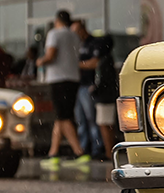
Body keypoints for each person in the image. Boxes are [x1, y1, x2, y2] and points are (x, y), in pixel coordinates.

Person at [35, 10, 88, 167]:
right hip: (73, 78)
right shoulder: (74, 35)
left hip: (58, 79)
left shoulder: (54, 33)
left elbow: (51, 54)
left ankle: (79, 153)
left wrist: (40, 61)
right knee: (61, 116)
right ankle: (53, 154)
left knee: (63, 117)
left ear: (57, 20)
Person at [71, 19, 103, 156]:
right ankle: (83, 149)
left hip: (88, 85)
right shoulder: (76, 45)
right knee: (80, 120)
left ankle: (97, 148)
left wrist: (76, 65)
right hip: (78, 85)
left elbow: (95, 63)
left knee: (92, 119)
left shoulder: (92, 43)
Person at [88, 35, 120, 160]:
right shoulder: (108, 60)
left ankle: (108, 152)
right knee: (107, 124)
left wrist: (95, 90)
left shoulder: (104, 61)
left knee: (104, 124)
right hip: (108, 96)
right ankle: (109, 151)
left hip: (104, 97)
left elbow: (102, 81)